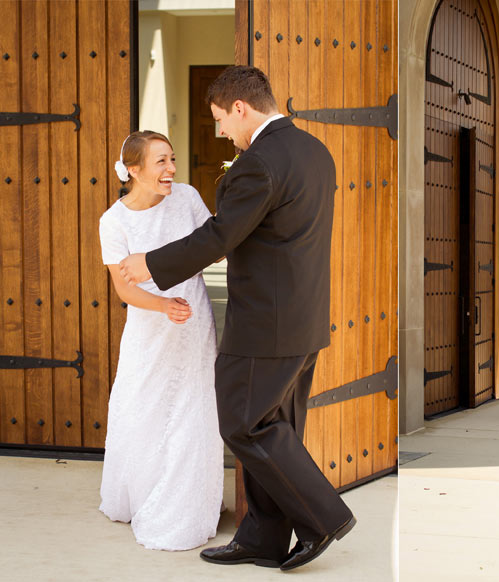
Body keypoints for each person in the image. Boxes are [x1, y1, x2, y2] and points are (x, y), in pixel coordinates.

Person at [118, 66, 355, 571]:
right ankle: (263, 539)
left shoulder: (259, 162)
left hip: (264, 325)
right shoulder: (315, 150)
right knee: (278, 427)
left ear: (241, 108)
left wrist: (150, 264)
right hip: (304, 317)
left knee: (245, 426)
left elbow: (220, 236)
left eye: (221, 119)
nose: (222, 131)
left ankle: (324, 516)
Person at [98, 131, 224, 551]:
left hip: (193, 320)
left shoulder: (187, 197)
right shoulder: (113, 221)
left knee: (192, 403)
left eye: (172, 160)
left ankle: (187, 501)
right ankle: (140, 491)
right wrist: (162, 306)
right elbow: (124, 289)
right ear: (133, 170)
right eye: (160, 162)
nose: (171, 170)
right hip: (150, 327)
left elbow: (215, 247)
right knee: (142, 404)